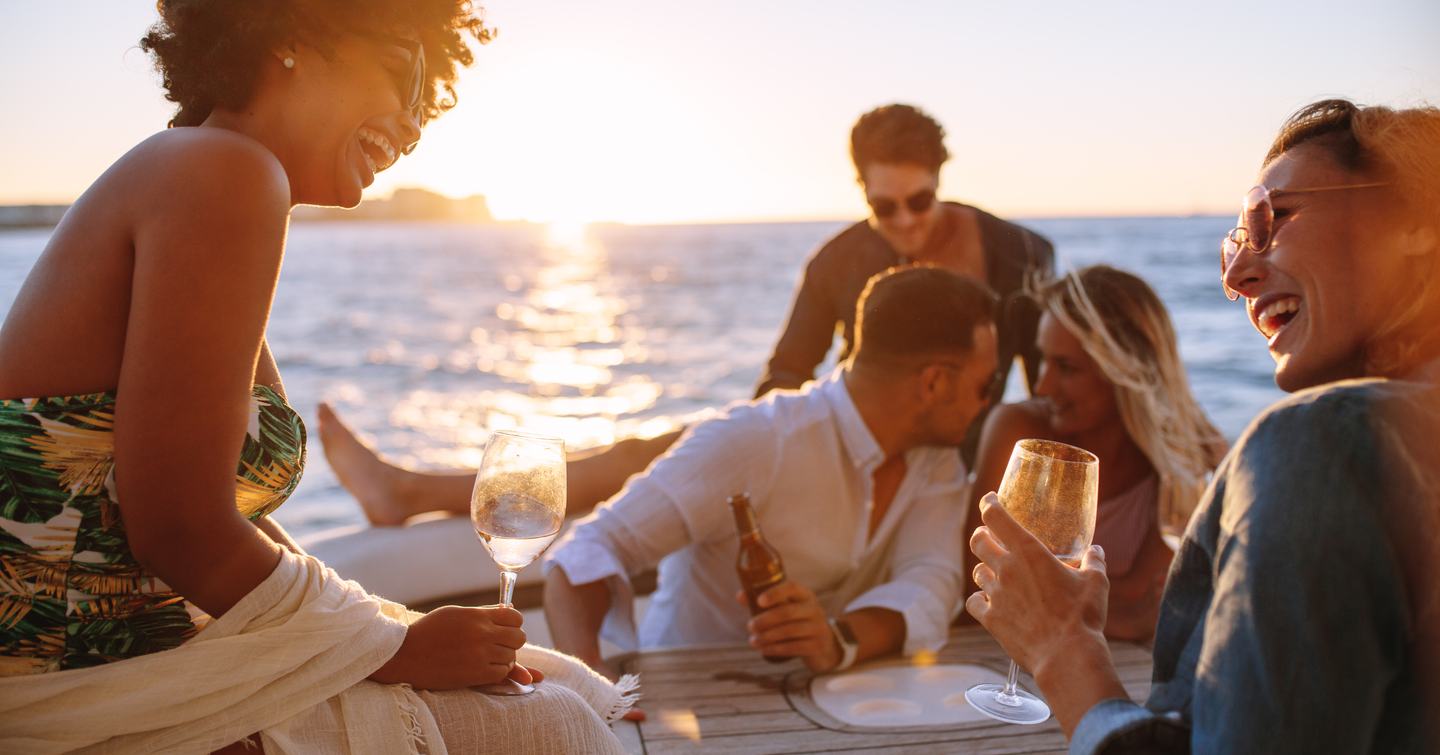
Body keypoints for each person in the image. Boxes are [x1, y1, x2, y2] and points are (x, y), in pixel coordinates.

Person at [0, 2, 627, 752]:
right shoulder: (220, 172)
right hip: (66, 683)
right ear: (295, 31)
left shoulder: (202, 169)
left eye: (435, 95)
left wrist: (379, 630)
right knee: (558, 725)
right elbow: (175, 527)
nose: (416, 118)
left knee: (558, 680)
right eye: (408, 69)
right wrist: (391, 646)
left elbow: (217, 511)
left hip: (133, 652)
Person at [967, 99, 1440, 752]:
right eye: (1237, 238)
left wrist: (1062, 650)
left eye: (1269, 217)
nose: (1237, 274)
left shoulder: (1325, 443)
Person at [543, 266, 999, 679]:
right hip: (687, 697)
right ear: (934, 382)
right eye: (986, 385)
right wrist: (590, 683)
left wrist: (837, 639)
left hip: (827, 698)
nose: (987, 404)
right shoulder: (753, 440)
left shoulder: (935, 458)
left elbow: (930, 581)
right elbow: (587, 550)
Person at [967, 266, 1227, 642]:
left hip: (1124, 662)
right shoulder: (1018, 433)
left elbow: (1149, 599)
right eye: (1043, 360)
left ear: (1124, 369)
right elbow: (978, 582)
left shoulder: (1184, 455)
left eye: (1067, 367)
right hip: (1004, 658)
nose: (1042, 384)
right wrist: (1119, 613)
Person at [756, 103, 1054, 408]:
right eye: (884, 207)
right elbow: (786, 372)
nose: (904, 221)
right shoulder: (834, 262)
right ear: (862, 189)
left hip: (976, 450)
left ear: (938, 179)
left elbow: (1047, 385)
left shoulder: (1022, 253)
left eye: (919, 201)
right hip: (863, 447)